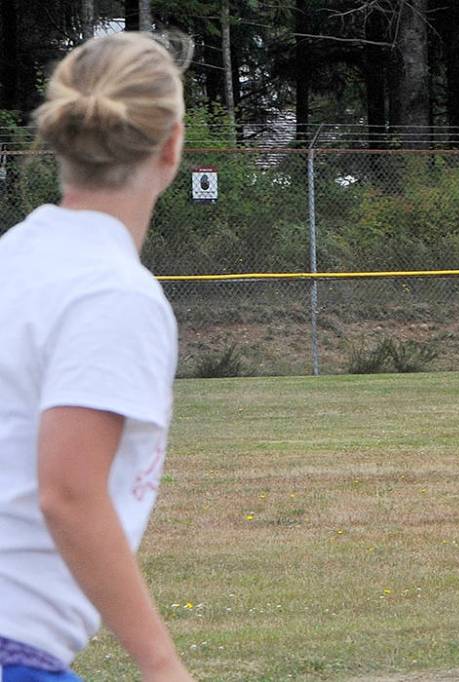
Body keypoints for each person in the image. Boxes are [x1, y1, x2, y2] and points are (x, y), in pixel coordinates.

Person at [0, 32, 194, 682]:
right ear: (170, 145)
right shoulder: (113, 293)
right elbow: (70, 492)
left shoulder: (14, 257)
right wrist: (163, 666)